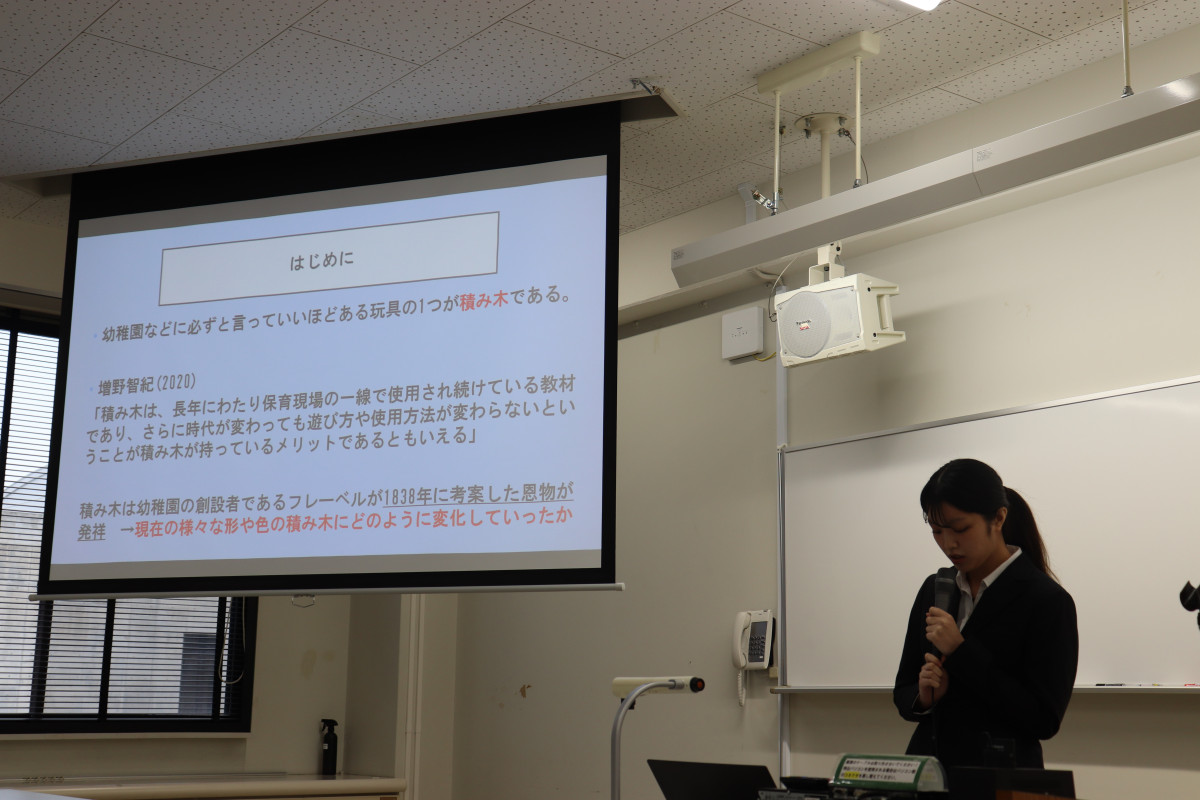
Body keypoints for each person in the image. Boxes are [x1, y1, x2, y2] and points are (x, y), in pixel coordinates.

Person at [892, 458, 1078, 769]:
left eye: (961, 529)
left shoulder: (1046, 600)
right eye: (937, 531)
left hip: (1000, 777)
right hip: (928, 774)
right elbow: (903, 690)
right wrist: (923, 697)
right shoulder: (935, 588)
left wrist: (960, 652)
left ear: (998, 518)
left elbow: (1044, 719)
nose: (949, 544)